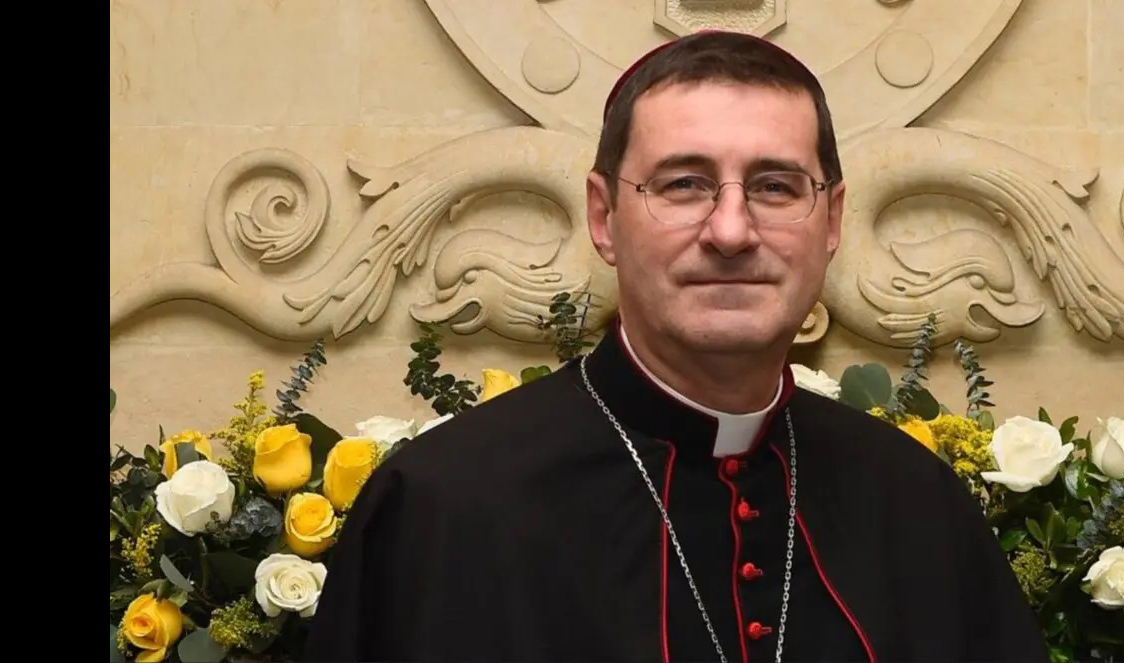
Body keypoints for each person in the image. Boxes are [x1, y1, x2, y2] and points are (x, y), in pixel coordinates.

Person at [304, 30, 1047, 662]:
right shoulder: (440, 506)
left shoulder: (919, 505)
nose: (731, 231)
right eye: (685, 183)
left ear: (831, 221)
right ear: (603, 218)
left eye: (776, 186)